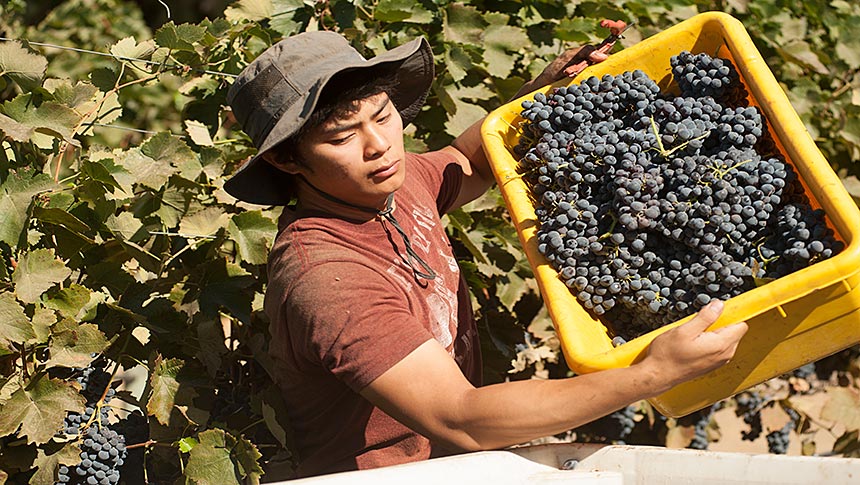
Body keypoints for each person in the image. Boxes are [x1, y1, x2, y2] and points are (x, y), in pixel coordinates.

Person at [224, 31, 749, 478]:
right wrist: (650, 375)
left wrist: (540, 92)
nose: (379, 145)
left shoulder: (387, 187)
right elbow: (462, 417)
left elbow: (463, 162)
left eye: (383, 117)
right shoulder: (326, 275)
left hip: (459, 469)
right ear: (286, 159)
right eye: (342, 136)